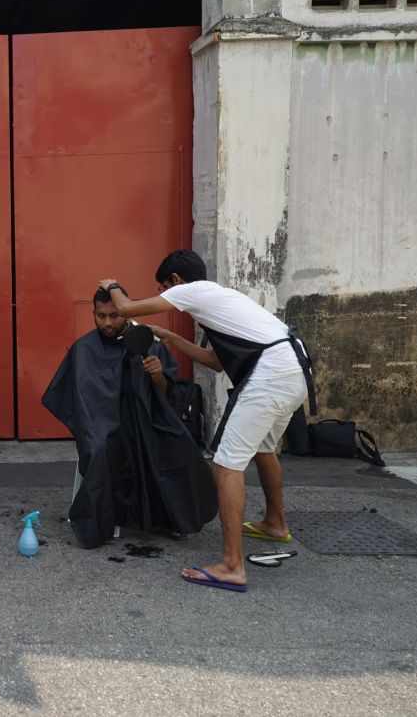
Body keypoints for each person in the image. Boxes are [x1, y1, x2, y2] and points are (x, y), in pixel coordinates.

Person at [98, 250, 315, 593]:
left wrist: (111, 284)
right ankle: (275, 523)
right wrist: (170, 338)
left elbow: (125, 308)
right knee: (264, 447)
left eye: (163, 286)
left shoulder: (193, 291)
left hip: (270, 374)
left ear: (176, 281)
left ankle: (231, 566)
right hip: (294, 368)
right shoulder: (222, 302)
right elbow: (214, 362)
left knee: (226, 465)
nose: (164, 293)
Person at [42, 288, 217, 548]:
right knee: (101, 447)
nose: (108, 322)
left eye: (114, 315)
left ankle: (168, 516)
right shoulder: (84, 349)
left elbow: (167, 395)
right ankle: (101, 520)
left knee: (171, 445)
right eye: (100, 316)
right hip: (102, 423)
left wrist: (157, 375)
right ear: (93, 314)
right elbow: (72, 398)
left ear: (125, 313)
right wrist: (92, 425)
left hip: (146, 417)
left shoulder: (148, 343)